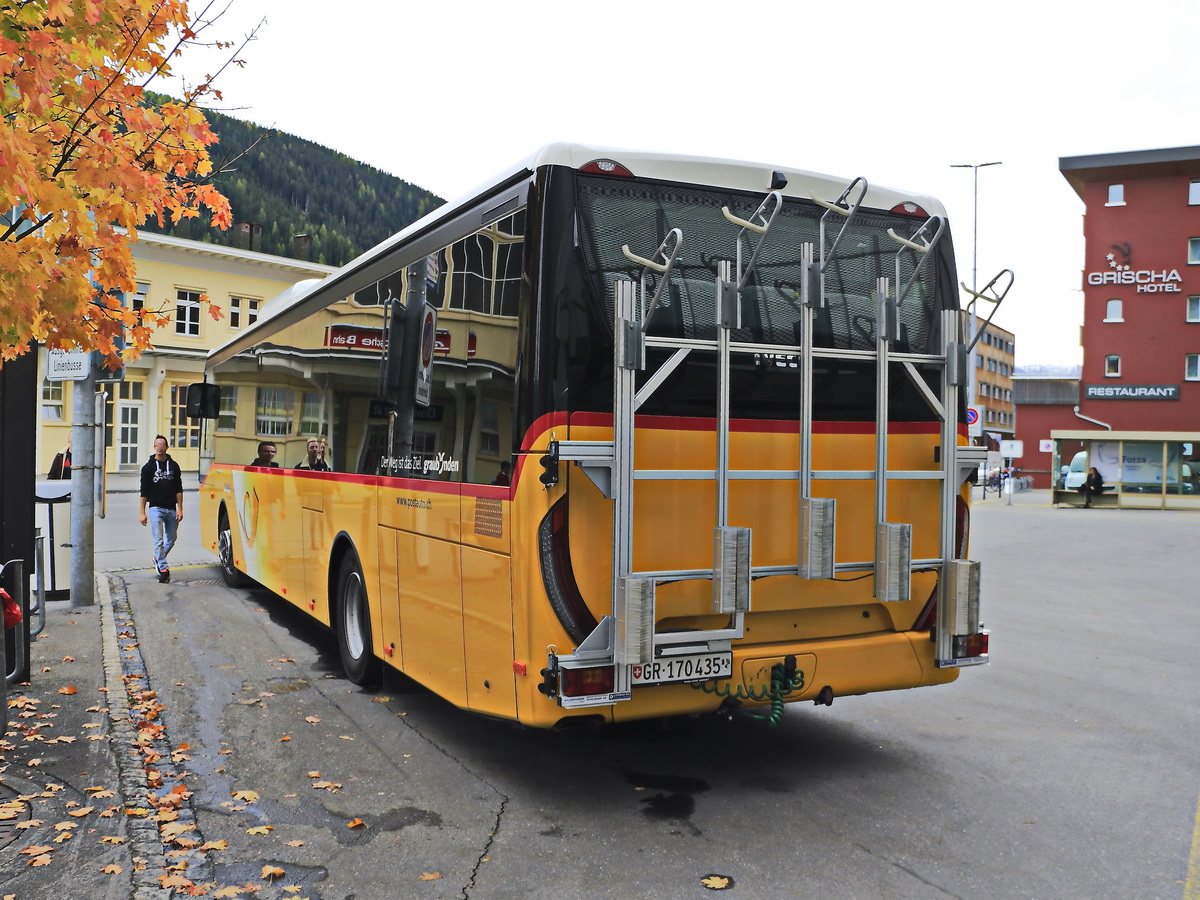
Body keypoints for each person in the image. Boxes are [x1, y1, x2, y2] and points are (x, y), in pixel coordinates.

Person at [140, 435, 184, 583]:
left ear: (166, 447)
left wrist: (180, 508)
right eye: (157, 445)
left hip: (171, 508)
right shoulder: (148, 468)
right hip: (155, 508)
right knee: (158, 539)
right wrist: (142, 512)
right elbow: (144, 492)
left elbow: (178, 489)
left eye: (162, 445)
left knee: (172, 538)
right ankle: (163, 569)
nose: (159, 448)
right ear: (154, 447)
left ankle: (157, 557)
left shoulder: (174, 466)